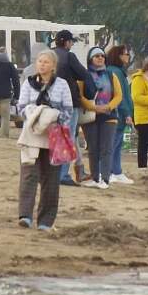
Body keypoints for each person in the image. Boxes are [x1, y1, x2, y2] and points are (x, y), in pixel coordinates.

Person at [17, 49, 73, 231]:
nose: (42, 64)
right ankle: (25, 215)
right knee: (28, 175)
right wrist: (35, 115)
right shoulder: (28, 83)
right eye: (40, 61)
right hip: (31, 134)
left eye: (46, 62)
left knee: (51, 179)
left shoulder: (62, 85)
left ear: (54, 66)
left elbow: (68, 111)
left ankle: (45, 221)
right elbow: (20, 108)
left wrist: (52, 117)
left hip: (53, 136)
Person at [51, 30, 91, 187]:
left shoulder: (49, 55)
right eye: (71, 42)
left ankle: (54, 171)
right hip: (70, 101)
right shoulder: (69, 56)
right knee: (68, 136)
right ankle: (63, 174)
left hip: (52, 100)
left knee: (56, 136)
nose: (72, 44)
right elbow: (82, 73)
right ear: (66, 42)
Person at [78, 47, 121, 189]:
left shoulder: (111, 75)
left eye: (102, 55)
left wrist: (108, 106)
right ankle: (95, 177)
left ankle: (105, 178)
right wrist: (93, 107)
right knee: (93, 148)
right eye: (96, 56)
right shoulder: (84, 75)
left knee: (106, 148)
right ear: (90, 58)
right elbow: (80, 95)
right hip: (90, 115)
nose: (100, 58)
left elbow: (118, 95)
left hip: (109, 115)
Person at [105, 46, 135, 184]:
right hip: (117, 114)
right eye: (125, 54)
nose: (128, 56)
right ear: (118, 56)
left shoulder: (119, 72)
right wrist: (127, 113)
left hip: (121, 114)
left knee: (117, 144)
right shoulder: (114, 72)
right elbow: (120, 96)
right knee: (113, 144)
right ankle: (110, 172)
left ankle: (116, 171)